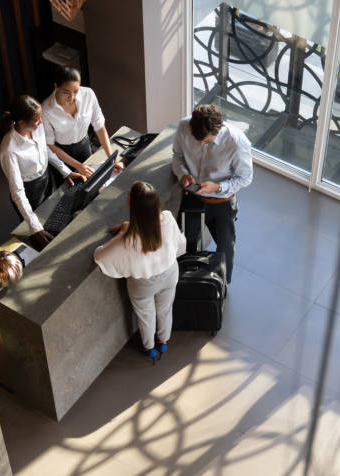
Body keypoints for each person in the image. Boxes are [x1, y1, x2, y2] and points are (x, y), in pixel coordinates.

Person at [94, 182, 186, 361]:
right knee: (165, 309)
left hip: (144, 284)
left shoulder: (127, 241)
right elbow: (179, 244)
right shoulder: (166, 219)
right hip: (170, 273)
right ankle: (164, 340)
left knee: (146, 316)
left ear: (131, 205)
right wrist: (127, 227)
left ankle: (149, 348)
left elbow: (100, 257)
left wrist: (123, 231)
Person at [172, 104, 253, 284]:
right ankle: (187, 281)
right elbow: (177, 156)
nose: (201, 144)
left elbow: (246, 178)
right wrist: (183, 174)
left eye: (206, 141)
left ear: (220, 128)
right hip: (192, 195)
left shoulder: (237, 142)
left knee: (225, 247)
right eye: (197, 139)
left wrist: (217, 187)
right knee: (186, 241)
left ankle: (221, 285)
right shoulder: (184, 126)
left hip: (221, 200)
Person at [0, 94, 85, 249]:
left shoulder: (36, 129)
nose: (41, 122)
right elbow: (18, 193)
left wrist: (65, 171)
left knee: (59, 220)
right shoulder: (9, 150)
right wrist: (35, 228)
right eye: (37, 120)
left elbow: (46, 150)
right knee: (42, 237)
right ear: (22, 122)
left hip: (47, 180)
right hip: (29, 194)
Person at [41, 65, 123, 178]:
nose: (72, 97)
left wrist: (111, 158)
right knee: (69, 188)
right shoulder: (46, 109)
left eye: (75, 91)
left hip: (84, 145)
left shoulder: (88, 94)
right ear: (56, 86)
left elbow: (99, 127)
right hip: (62, 153)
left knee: (92, 180)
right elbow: (50, 145)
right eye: (66, 92)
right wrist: (78, 166)